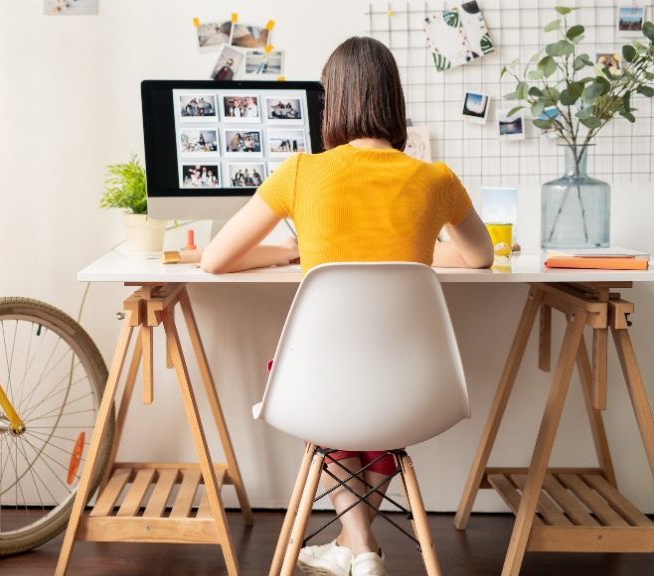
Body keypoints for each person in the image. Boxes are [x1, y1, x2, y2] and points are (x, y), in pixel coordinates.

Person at [199, 36, 492, 576]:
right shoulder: (435, 179)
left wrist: (292, 248)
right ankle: (357, 549)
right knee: (378, 392)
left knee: (321, 384)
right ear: (394, 102)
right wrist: (420, 254)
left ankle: (358, 553)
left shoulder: (301, 173)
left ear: (332, 101)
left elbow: (215, 260)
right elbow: (480, 257)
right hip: (413, 389)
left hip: (319, 389)